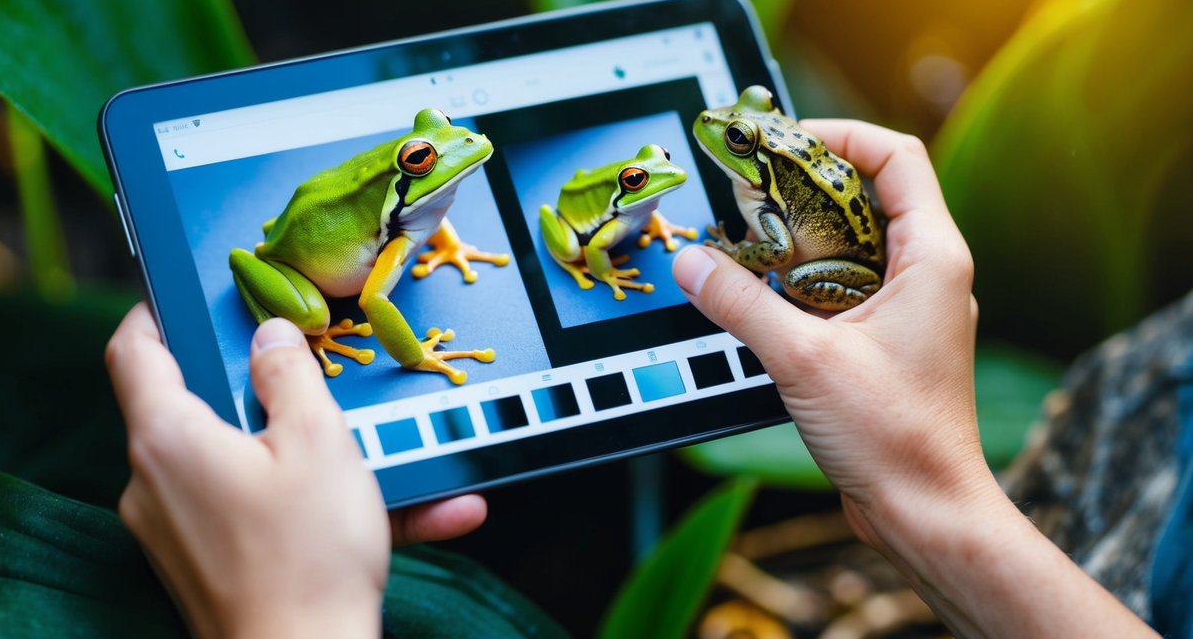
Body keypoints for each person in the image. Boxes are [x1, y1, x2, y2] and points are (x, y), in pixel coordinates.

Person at [105, 119, 1156, 637]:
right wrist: (937, 497)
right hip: (318, 266)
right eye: (430, 161)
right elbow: (378, 290)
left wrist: (285, 615)